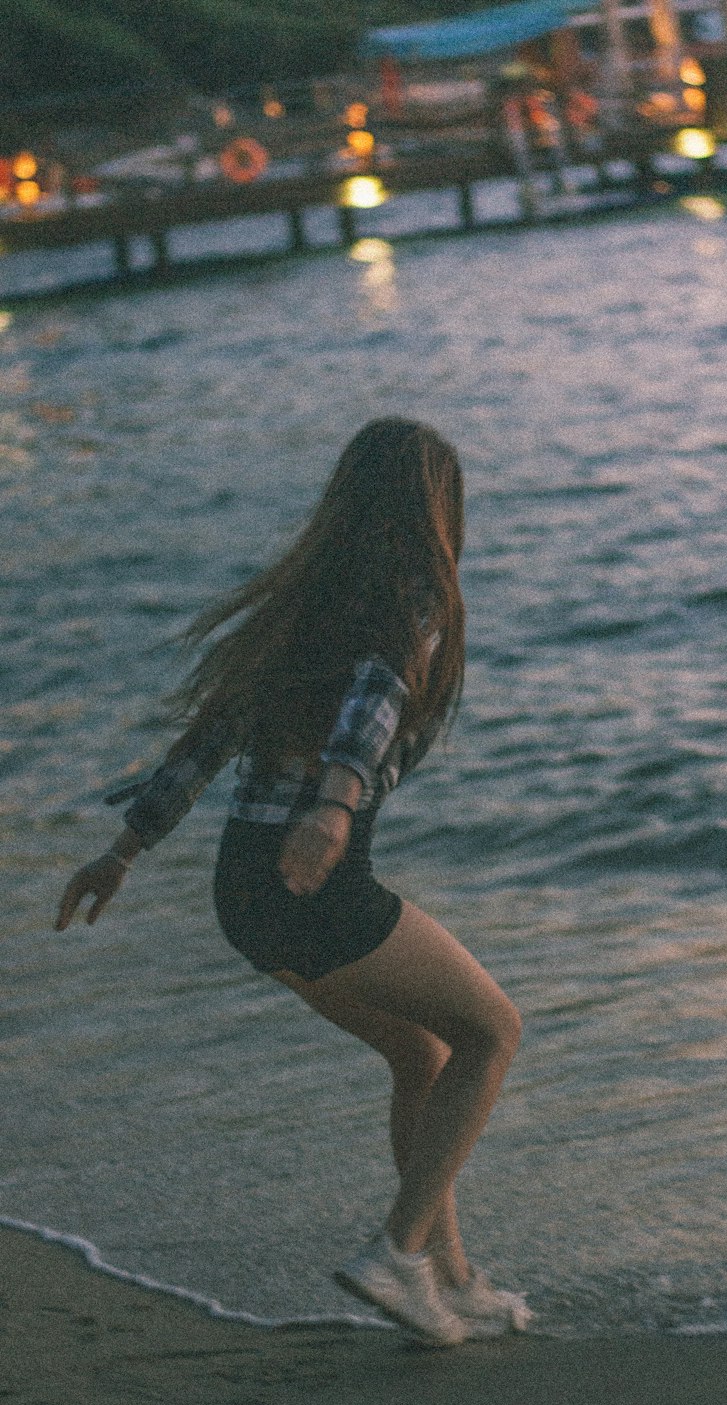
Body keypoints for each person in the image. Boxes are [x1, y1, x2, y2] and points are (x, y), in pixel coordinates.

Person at [55, 417, 527, 1348]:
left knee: (420, 1056)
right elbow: (379, 697)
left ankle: (450, 1279)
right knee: (492, 1032)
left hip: (245, 894)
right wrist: (336, 806)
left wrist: (125, 850)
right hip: (317, 877)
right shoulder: (409, 599)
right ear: (433, 509)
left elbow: (209, 737)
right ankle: (397, 1254)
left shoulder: (302, 605)